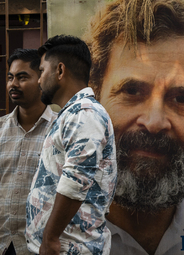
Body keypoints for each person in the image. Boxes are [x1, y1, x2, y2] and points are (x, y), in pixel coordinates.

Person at [83, 0, 184, 254]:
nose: (154, 123)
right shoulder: (52, 232)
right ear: (93, 96)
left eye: (182, 99)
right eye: (131, 91)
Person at [25, 35, 117, 255]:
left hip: (69, 248)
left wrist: (50, 237)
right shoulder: (72, 114)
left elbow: (76, 178)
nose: (38, 80)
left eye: (42, 70)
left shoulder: (84, 113)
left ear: (60, 71)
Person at [0, 49, 57, 255]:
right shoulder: (0, 129)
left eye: (22, 77)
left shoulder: (61, 130)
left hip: (39, 246)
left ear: (41, 79)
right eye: (10, 77)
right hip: (3, 242)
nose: (13, 84)